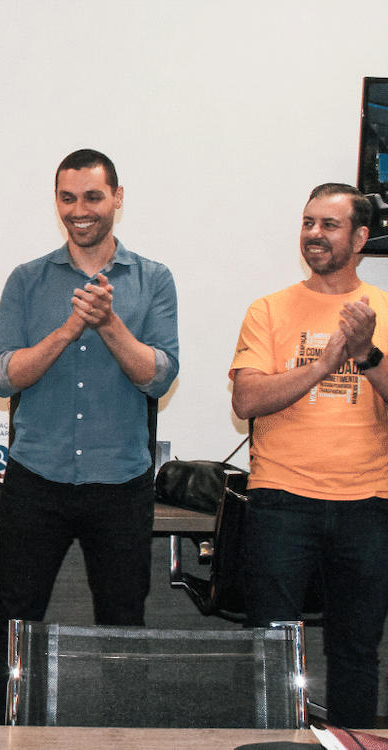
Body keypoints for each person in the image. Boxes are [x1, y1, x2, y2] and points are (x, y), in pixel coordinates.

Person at [0, 149, 179, 723]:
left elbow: (159, 376)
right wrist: (69, 328)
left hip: (120, 482)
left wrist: (109, 324)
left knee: (123, 623)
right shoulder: (27, 280)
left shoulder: (153, 280)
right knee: (14, 620)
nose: (80, 210)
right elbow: (2, 374)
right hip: (35, 478)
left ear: (117, 197)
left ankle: (123, 737)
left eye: (92, 197)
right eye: (67, 198)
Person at [231, 183, 388, 729]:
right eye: (308, 222)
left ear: (361, 237)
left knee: (356, 653)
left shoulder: (385, 309)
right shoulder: (268, 309)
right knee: (269, 650)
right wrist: (322, 366)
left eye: (329, 224)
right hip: (281, 503)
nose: (314, 234)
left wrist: (366, 355)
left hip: (369, 504)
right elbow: (247, 398)